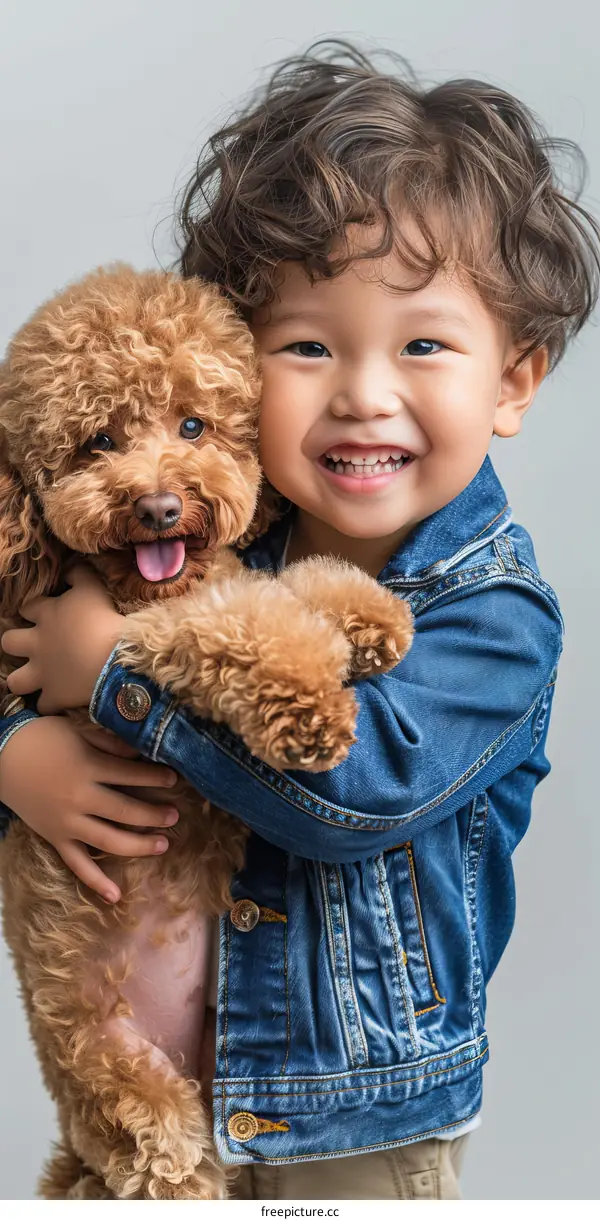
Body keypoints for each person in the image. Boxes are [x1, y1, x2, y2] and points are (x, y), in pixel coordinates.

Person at [0, 41, 597, 1200]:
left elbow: (353, 792)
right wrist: (17, 754)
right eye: (309, 346)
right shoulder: (196, 552)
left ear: (513, 381)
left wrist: (118, 673)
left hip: (359, 1113)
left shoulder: (496, 616)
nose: (364, 393)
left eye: (423, 344)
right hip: (168, 1089)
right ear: (232, 367)